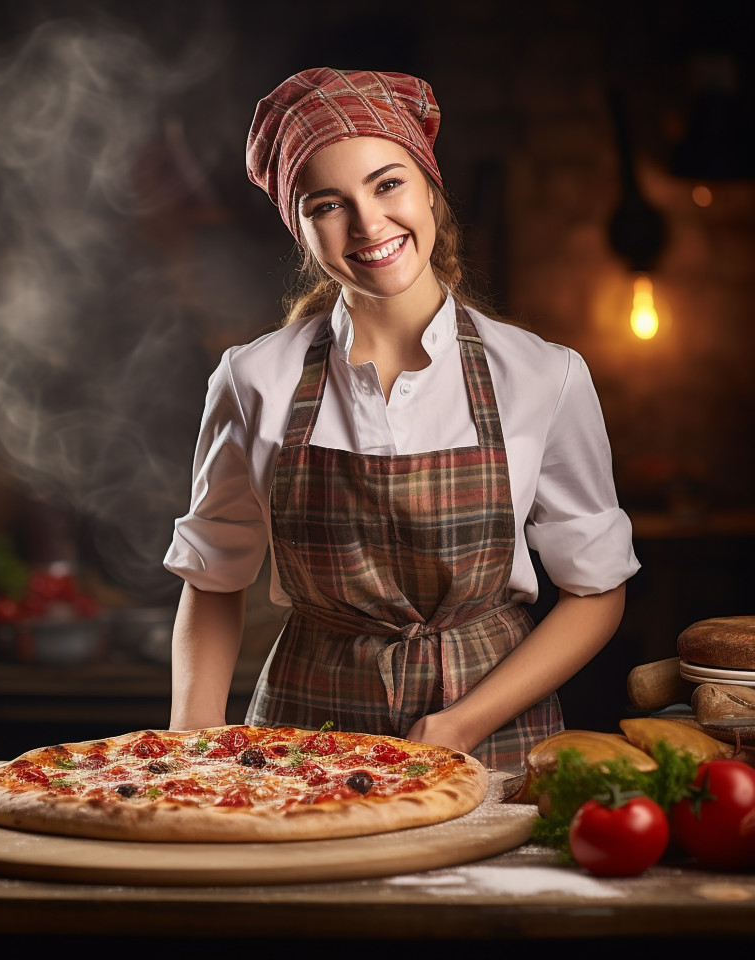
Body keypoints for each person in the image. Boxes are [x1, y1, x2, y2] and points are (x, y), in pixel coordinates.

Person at [163, 67, 640, 772]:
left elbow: (596, 591)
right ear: (300, 229)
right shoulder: (253, 378)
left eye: (388, 184)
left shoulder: (543, 375)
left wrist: (462, 723)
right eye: (327, 203)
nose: (368, 224)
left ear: (429, 190)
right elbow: (212, 576)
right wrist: (192, 745)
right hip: (304, 739)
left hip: (494, 736)